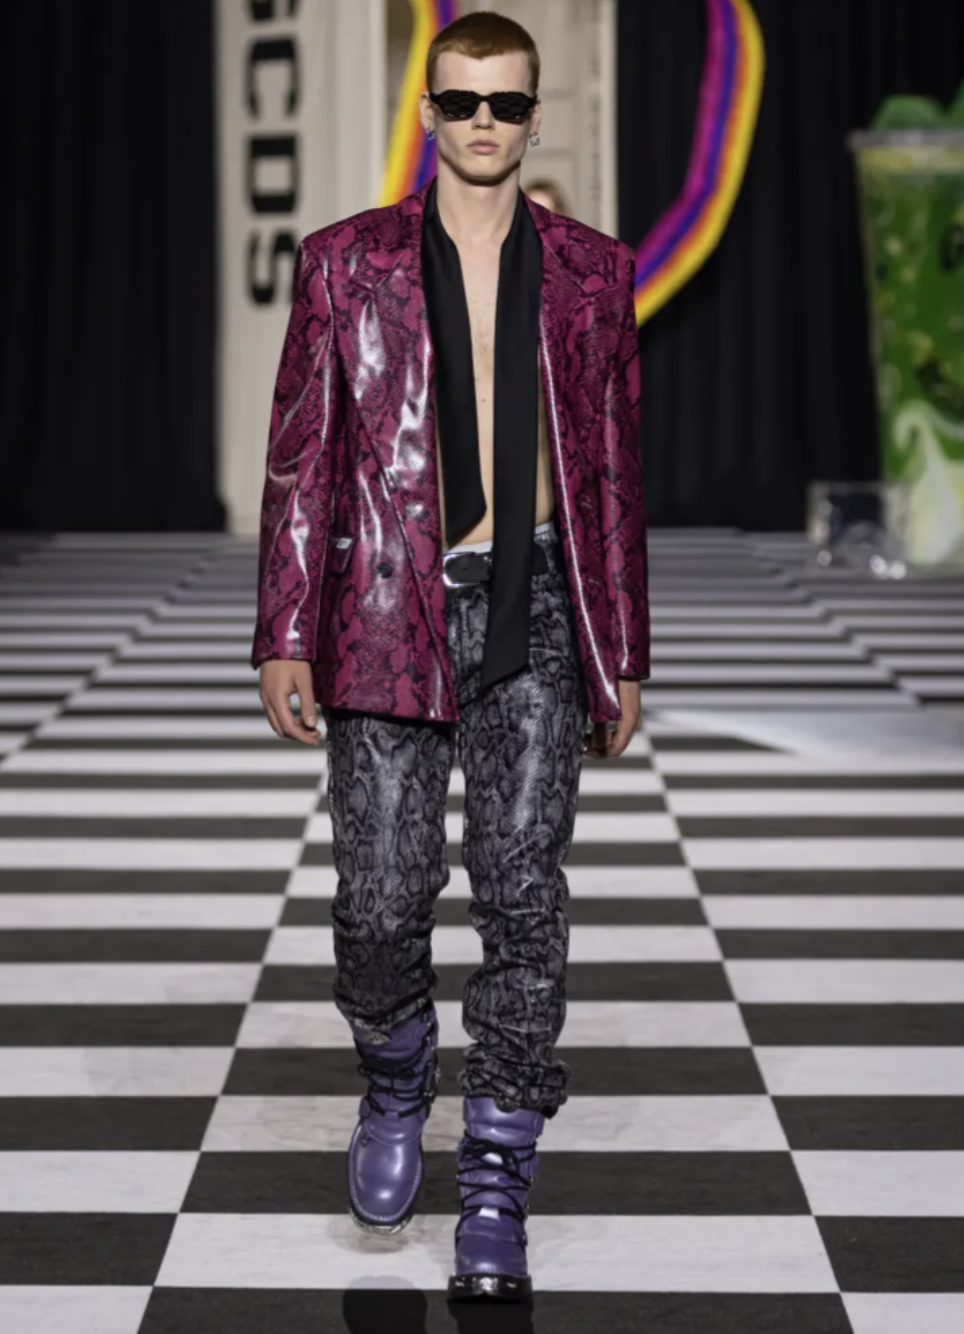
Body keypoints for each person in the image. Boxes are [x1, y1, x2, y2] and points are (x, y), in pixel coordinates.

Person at [252, 9, 649, 1304]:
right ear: (428, 110)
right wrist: (285, 630)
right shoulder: (343, 264)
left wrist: (621, 648)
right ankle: (395, 1072)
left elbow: (612, 473)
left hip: (536, 608)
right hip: (383, 607)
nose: (485, 122)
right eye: (463, 100)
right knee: (380, 899)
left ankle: (494, 1173)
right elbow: (303, 457)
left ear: (535, 115)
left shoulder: (593, 272)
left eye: (507, 103)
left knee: (526, 897)